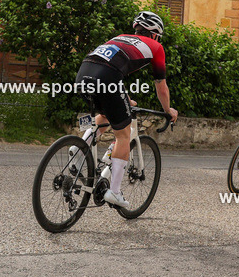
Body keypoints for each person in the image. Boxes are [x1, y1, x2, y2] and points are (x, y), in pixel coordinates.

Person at [75, 11, 178, 208]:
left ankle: (77, 150)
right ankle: (114, 192)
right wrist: (168, 110)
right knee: (123, 134)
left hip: (83, 73)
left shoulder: (119, 38)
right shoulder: (156, 47)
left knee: (105, 114)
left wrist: (126, 99)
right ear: (155, 34)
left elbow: (110, 69)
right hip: (107, 78)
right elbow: (161, 87)